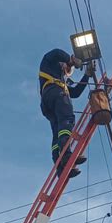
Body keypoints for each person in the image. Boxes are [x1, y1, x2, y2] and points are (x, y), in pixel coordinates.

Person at [39, 48, 94, 178]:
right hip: (55, 94)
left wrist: (87, 75)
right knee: (67, 119)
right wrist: (71, 60)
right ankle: (66, 154)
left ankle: (60, 166)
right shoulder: (49, 63)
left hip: (47, 102)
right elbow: (55, 52)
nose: (66, 69)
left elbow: (75, 93)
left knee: (57, 132)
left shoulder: (59, 78)